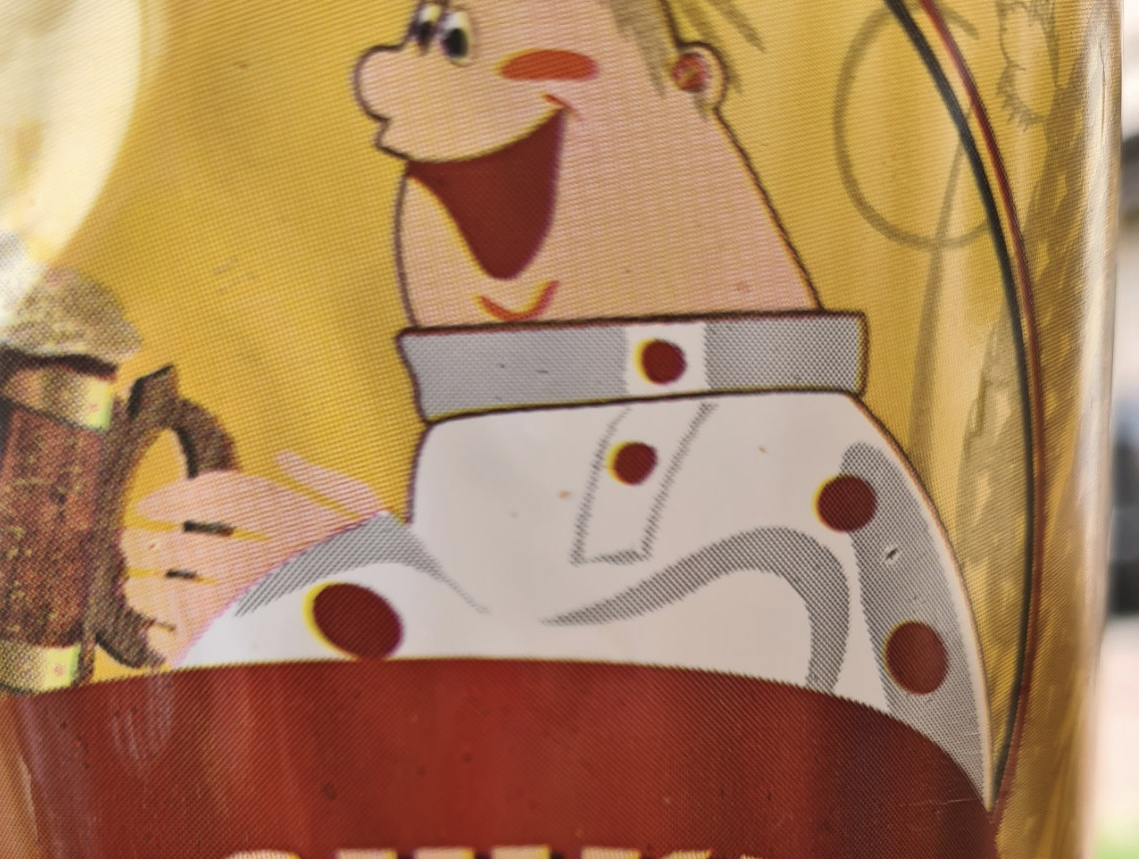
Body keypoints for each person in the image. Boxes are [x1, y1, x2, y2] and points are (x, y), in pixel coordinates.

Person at [122, 0, 992, 800]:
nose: (377, 83)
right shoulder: (525, 428)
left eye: (457, 40)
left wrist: (315, 597)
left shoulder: (766, 448)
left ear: (689, 80)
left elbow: (643, 718)